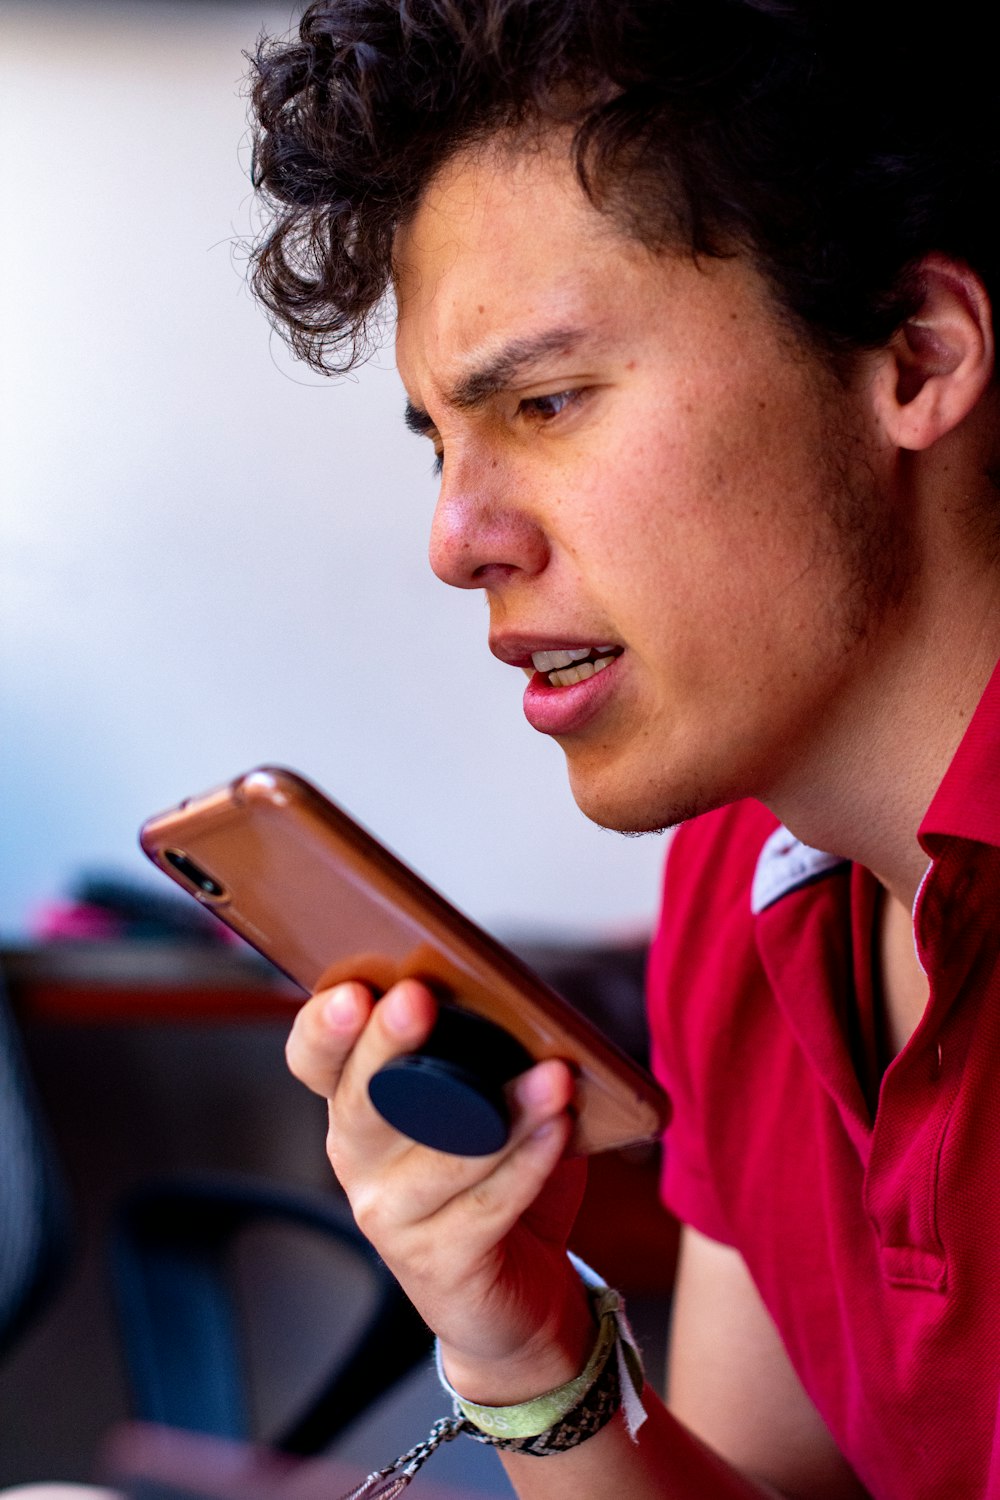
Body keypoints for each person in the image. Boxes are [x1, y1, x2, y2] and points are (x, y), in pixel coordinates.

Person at [247, 2, 1000, 1495]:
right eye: (442, 444)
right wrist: (528, 1358)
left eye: (547, 403)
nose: (458, 542)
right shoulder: (746, 879)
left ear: (913, 358)